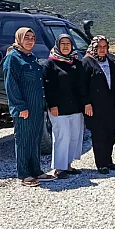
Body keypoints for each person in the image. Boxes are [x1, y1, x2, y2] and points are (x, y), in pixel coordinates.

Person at [3, 27, 55, 187]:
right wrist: (20, 107)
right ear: (19, 39)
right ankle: (24, 174)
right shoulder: (13, 58)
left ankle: (36, 170)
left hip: (37, 107)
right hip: (24, 108)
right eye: (26, 37)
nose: (30, 41)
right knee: (24, 140)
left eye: (32, 38)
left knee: (35, 139)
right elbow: (11, 85)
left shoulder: (31, 57)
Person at [82, 35, 115, 174]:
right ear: (94, 47)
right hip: (95, 106)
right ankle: (101, 163)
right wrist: (86, 103)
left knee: (110, 134)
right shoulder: (87, 62)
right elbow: (82, 86)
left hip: (111, 105)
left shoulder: (111, 61)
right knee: (99, 135)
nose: (102, 49)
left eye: (104, 47)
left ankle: (108, 161)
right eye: (99, 47)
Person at [43, 34, 88, 178]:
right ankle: (59, 168)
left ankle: (68, 165)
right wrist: (52, 105)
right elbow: (48, 86)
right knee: (62, 137)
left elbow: (82, 86)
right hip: (59, 108)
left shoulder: (76, 63)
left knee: (74, 137)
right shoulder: (50, 64)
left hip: (76, 107)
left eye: (68, 43)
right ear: (57, 45)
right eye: (62, 43)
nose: (66, 46)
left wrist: (85, 104)